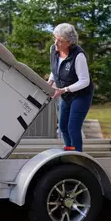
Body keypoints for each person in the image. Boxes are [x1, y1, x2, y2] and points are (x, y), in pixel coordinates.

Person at [47, 23, 94, 152]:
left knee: (73, 127)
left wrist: (64, 89)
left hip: (81, 95)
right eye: (54, 38)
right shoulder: (53, 49)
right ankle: (70, 150)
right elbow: (55, 68)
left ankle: (77, 155)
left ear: (69, 42)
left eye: (60, 40)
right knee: (63, 127)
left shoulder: (78, 56)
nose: (56, 43)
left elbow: (85, 81)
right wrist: (50, 81)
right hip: (66, 95)